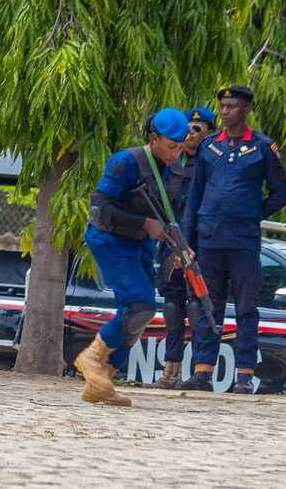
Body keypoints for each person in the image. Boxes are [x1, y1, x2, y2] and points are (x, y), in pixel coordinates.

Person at [75, 107, 190, 407]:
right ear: (154, 139)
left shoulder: (175, 171)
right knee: (139, 302)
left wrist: (180, 249)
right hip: (109, 238)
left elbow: (170, 217)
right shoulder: (126, 162)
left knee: (141, 314)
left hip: (141, 244)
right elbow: (101, 209)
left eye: (180, 147)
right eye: (171, 146)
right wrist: (144, 224)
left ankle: (102, 380)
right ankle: (92, 358)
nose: (176, 153)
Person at [177, 85, 286, 394]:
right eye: (223, 106)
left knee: (247, 308)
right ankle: (202, 372)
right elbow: (194, 197)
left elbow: (280, 190)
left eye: (232, 106)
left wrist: (255, 212)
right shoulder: (210, 147)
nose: (225, 112)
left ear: (246, 109)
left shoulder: (262, 147)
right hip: (209, 238)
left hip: (243, 240)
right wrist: (187, 242)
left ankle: (244, 375)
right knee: (207, 306)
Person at [150, 105, 216, 388]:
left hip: (202, 242)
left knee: (197, 306)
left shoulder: (212, 162)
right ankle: (170, 371)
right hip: (171, 242)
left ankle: (199, 372)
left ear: (209, 133)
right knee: (172, 305)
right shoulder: (171, 163)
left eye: (197, 129)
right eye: (188, 128)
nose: (190, 134)